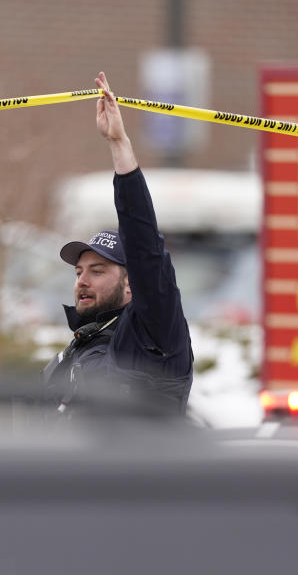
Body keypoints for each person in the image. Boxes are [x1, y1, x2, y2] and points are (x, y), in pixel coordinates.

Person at [42, 72, 194, 419]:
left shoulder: (151, 336)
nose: (82, 280)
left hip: (137, 474)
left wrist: (119, 145)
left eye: (98, 270)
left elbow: (144, 248)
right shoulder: (78, 349)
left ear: (131, 285)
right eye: (80, 271)